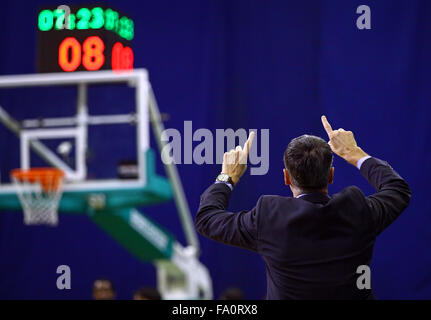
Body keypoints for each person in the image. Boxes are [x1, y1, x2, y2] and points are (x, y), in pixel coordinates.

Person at [195, 116, 411, 299]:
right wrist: (354, 153)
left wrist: (228, 176)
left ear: (286, 177)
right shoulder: (357, 210)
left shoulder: (268, 218)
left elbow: (207, 219)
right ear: (331, 175)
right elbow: (397, 190)